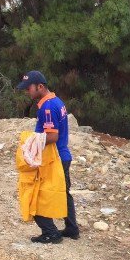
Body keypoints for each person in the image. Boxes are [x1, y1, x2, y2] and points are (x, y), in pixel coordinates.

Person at [16, 70, 79, 243]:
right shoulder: (57, 101)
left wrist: (31, 143)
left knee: (38, 193)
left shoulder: (47, 107)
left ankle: (50, 232)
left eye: (29, 88)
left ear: (40, 87)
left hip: (54, 158)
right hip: (63, 156)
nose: (27, 92)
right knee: (63, 192)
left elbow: (52, 136)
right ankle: (72, 229)